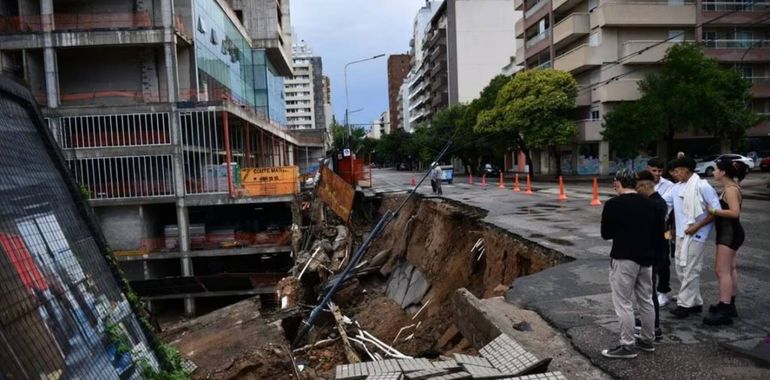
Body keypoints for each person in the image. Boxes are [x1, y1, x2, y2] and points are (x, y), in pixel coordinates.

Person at [600, 169, 656, 359]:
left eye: (615, 181)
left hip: (624, 256)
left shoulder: (613, 204)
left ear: (619, 182)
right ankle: (647, 340)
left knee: (623, 302)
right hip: (646, 257)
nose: (614, 184)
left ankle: (627, 345)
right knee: (646, 300)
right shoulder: (649, 202)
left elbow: (606, 234)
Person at [662, 157, 721, 319]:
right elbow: (661, 202)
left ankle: (685, 305)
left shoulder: (702, 186)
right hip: (682, 233)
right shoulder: (676, 187)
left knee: (691, 268)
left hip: (697, 233)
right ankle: (695, 302)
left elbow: (715, 211)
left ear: (686, 169)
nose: (675, 174)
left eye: (677, 171)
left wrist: (697, 226)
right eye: (673, 172)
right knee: (681, 268)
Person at [703, 158, 747, 325]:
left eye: (716, 169)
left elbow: (735, 213)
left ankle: (725, 308)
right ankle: (729, 303)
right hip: (730, 232)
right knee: (730, 268)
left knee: (721, 271)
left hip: (729, 234)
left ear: (723, 172)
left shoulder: (730, 190)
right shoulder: (731, 188)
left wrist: (714, 210)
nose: (714, 172)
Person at [635, 170, 667, 341]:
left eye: (638, 187)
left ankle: (654, 326)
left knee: (649, 291)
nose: (636, 190)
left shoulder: (654, 203)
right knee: (648, 290)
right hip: (656, 250)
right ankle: (649, 321)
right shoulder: (656, 201)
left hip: (653, 252)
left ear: (646, 186)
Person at [646, 158, 674, 307]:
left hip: (665, 228)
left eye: (660, 171)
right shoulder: (643, 183)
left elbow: (669, 207)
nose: (657, 174)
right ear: (648, 169)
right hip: (647, 228)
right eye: (654, 170)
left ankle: (663, 291)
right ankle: (648, 291)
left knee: (664, 258)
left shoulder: (669, 185)